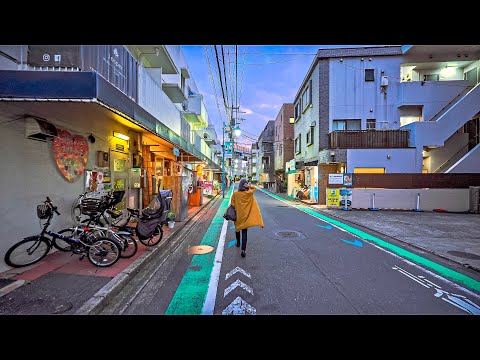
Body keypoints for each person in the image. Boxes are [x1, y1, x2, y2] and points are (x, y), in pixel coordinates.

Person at [230, 178, 264, 257]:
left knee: (237, 229)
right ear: (245, 185)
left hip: (238, 216)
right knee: (244, 232)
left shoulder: (235, 194)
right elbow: (254, 188)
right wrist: (249, 186)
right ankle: (243, 250)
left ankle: (238, 243)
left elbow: (232, 205)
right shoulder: (249, 194)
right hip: (246, 217)